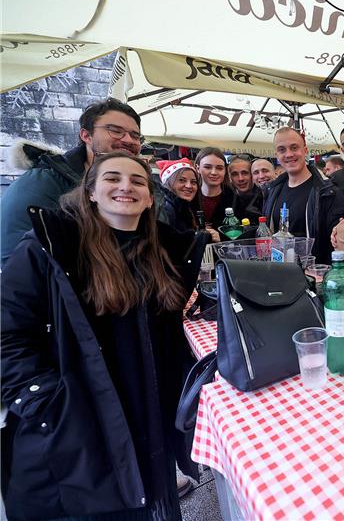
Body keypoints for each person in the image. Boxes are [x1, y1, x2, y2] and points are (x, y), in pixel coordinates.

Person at [1, 151, 208, 520]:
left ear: (149, 198)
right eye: (112, 178)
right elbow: (8, 331)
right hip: (78, 417)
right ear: (91, 191)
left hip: (147, 411)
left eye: (137, 181)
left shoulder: (165, 250)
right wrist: (45, 402)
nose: (125, 186)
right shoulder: (50, 247)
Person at [1, 98, 142, 266]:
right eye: (115, 131)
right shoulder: (45, 181)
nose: (128, 140)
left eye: (135, 135)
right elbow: (17, 260)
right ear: (86, 135)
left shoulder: (137, 188)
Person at [261, 127, 344, 263]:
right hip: (279, 274)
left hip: (315, 276)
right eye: (282, 150)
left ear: (305, 151)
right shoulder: (272, 191)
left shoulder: (328, 192)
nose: (289, 154)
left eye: (294, 148)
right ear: (276, 155)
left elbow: (339, 244)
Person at [158, 158, 221, 242]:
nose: (189, 186)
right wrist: (199, 238)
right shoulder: (166, 210)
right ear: (168, 183)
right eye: (182, 180)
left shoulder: (187, 209)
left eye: (193, 182)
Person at [227, 154, 263, 222]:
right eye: (235, 174)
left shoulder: (264, 197)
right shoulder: (226, 198)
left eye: (245, 173)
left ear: (252, 174)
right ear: (230, 178)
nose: (240, 179)